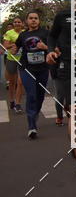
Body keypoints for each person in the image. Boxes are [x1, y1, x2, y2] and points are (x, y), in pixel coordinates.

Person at [46, 7, 76, 174]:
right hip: (67, 66)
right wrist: (51, 50)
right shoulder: (63, 15)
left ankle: (75, 142)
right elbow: (52, 36)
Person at [15, 11, 50, 139]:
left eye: (36, 18)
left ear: (39, 20)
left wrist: (45, 47)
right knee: (31, 94)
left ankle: (34, 115)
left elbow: (54, 49)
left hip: (43, 69)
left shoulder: (46, 33)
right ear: (27, 21)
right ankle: (31, 126)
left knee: (40, 96)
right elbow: (15, 48)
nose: (33, 20)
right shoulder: (23, 35)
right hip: (26, 68)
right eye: (31, 18)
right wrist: (12, 49)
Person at [3, 17, 25, 113]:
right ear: (13, 24)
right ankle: (12, 100)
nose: (17, 23)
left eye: (19, 22)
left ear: (22, 23)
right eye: (15, 22)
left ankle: (18, 104)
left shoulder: (25, 32)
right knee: (12, 83)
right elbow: (5, 46)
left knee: (20, 82)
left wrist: (14, 43)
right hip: (12, 59)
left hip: (23, 60)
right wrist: (14, 45)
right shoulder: (9, 33)